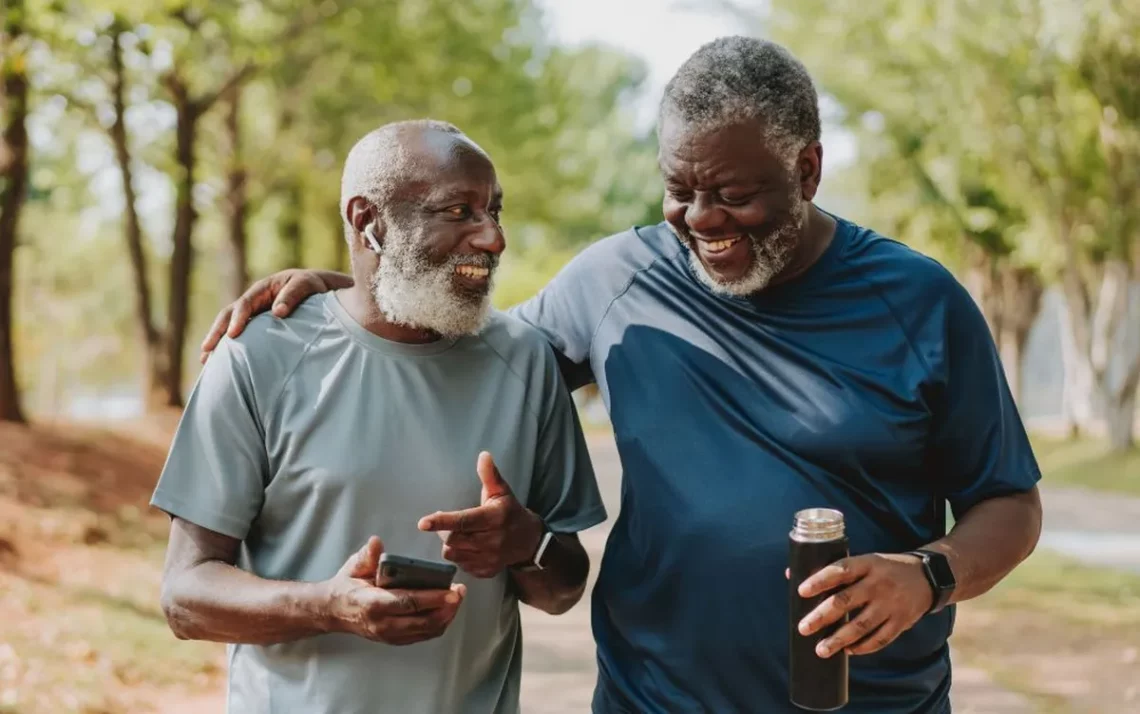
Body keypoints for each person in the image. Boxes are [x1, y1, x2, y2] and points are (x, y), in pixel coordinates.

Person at [201, 38, 1043, 714]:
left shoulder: (919, 301)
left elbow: (1009, 501)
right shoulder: (617, 280)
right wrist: (354, 286)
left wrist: (928, 575)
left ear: (808, 171)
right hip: (653, 695)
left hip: (870, 699)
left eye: (735, 194)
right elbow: (468, 353)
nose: (702, 220)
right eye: (679, 190)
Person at [153, 119, 606, 714]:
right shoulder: (258, 356)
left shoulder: (523, 361)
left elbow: (563, 590)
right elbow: (186, 598)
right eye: (460, 211)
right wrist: (327, 606)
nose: (492, 237)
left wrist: (527, 543)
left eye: (494, 211)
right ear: (369, 222)